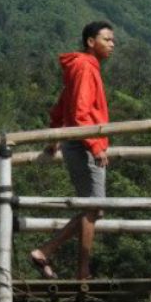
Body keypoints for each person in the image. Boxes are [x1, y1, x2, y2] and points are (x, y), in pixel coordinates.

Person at [29, 21, 115, 280]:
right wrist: (96, 146)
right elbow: (80, 113)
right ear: (91, 41)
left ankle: (47, 251)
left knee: (94, 208)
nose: (112, 45)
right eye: (107, 39)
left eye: (113, 41)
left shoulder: (81, 67)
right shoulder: (86, 67)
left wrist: (55, 135)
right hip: (83, 144)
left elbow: (62, 105)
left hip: (77, 142)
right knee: (93, 208)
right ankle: (82, 273)